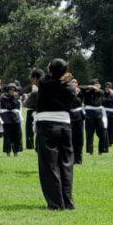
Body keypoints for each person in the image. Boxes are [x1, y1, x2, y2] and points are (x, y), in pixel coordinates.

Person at [34, 58, 76, 210]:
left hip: (47, 125)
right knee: (66, 164)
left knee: (49, 165)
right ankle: (68, 201)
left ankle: (56, 203)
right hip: (65, 126)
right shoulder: (70, 87)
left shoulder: (45, 83)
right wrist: (64, 77)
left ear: (50, 70)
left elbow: (43, 78)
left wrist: (56, 75)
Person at [81, 79, 108, 156]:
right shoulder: (87, 92)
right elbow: (81, 87)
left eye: (98, 84)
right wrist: (91, 87)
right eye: (96, 83)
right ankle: (89, 151)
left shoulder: (101, 92)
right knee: (89, 134)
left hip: (99, 114)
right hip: (89, 115)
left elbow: (101, 92)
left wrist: (96, 88)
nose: (98, 85)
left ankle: (101, 150)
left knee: (102, 133)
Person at [0, 83, 24, 157]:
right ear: (8, 90)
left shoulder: (17, 97)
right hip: (7, 118)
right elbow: (8, 106)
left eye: (14, 89)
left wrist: (14, 97)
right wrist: (12, 97)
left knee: (17, 135)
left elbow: (16, 105)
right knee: (7, 136)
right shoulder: (3, 97)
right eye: (10, 89)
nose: (12, 91)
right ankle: (8, 152)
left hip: (16, 118)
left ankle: (16, 152)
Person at [23, 69, 45, 150]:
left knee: (31, 129)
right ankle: (33, 145)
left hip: (35, 111)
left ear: (35, 78)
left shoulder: (35, 89)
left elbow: (26, 104)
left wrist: (30, 94)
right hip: (40, 112)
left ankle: (31, 145)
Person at [69, 79, 85, 165]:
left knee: (79, 138)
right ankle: (71, 158)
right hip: (70, 117)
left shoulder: (80, 93)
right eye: (73, 82)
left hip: (79, 118)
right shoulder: (68, 93)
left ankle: (79, 158)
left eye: (75, 82)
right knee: (71, 138)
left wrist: (77, 93)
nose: (74, 83)